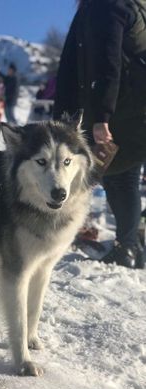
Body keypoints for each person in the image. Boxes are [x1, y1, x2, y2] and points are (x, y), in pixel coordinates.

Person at [54, 0, 146, 269]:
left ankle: (127, 247)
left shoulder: (107, 5)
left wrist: (102, 117)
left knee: (119, 178)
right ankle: (131, 245)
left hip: (121, 110)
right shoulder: (132, 6)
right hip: (133, 110)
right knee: (121, 176)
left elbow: (107, 61)